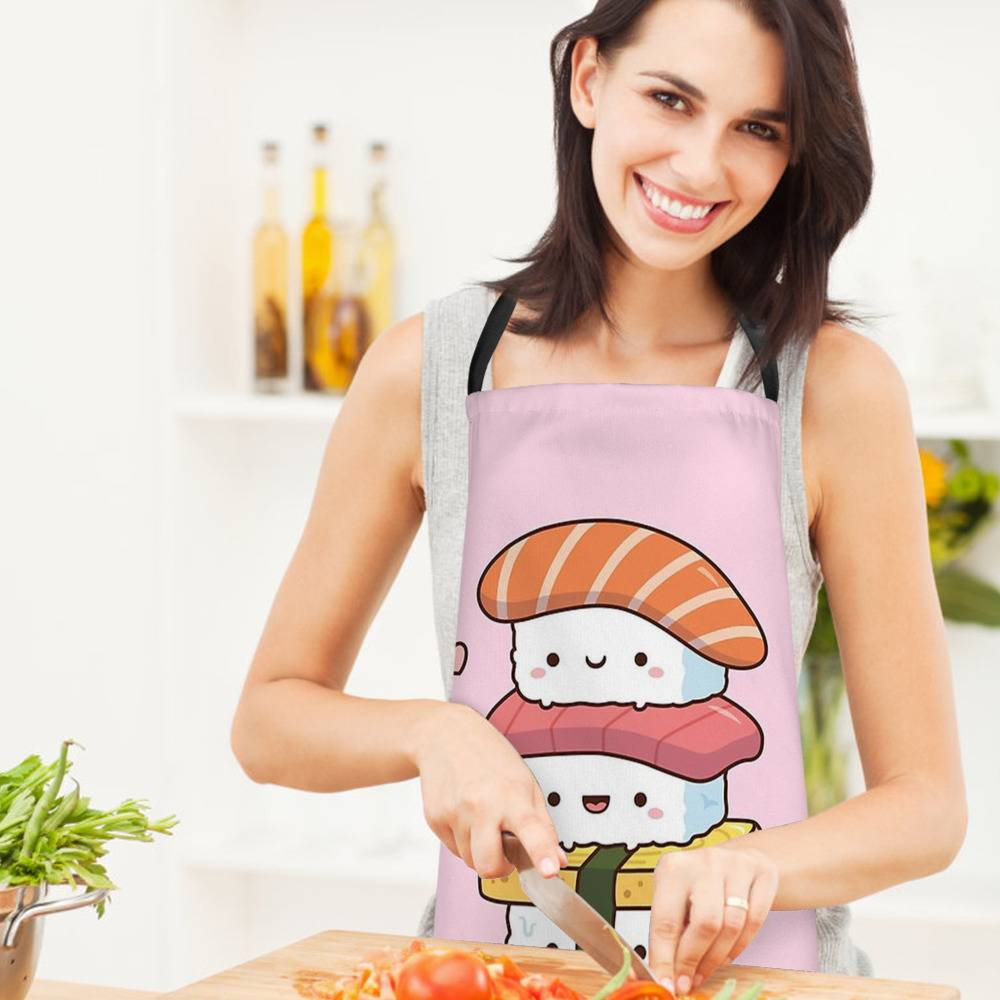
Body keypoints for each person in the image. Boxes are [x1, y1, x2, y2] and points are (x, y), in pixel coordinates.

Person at [230, 0, 967, 994]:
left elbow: (926, 804)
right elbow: (270, 722)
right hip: (482, 969)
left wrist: (754, 862)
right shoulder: (435, 368)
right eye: (669, 98)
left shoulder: (831, 387)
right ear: (587, 79)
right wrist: (436, 731)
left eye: (758, 128)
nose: (701, 166)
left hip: (758, 978)